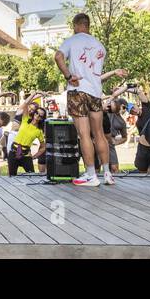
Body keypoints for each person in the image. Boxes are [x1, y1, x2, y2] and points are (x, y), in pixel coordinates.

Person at [55, 12, 115, 187]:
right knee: (99, 134)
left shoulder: (72, 40)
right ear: (88, 25)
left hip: (78, 89)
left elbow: (58, 57)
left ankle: (91, 175)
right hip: (95, 92)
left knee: (84, 134)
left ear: (75, 25)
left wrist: (68, 76)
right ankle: (107, 174)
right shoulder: (100, 46)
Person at [6, 92, 47, 176]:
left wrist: (35, 156)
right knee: (12, 176)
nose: (37, 116)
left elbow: (43, 147)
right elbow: (25, 104)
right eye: (36, 113)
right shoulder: (25, 119)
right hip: (14, 152)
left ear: (42, 118)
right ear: (34, 113)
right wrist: (34, 93)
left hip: (26, 155)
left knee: (31, 176)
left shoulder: (39, 131)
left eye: (40, 116)